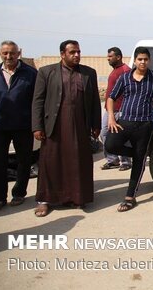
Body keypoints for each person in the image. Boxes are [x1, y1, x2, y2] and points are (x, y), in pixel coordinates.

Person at [31, 40, 101, 217]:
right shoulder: (46, 72)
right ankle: (45, 200)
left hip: (80, 126)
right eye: (72, 52)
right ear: (62, 54)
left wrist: (96, 124)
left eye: (78, 52)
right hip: (54, 126)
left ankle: (77, 198)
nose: (77, 55)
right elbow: (38, 101)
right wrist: (37, 126)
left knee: (78, 162)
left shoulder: (88, 73)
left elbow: (94, 102)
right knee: (51, 163)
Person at [105, 47, 153, 212]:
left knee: (138, 163)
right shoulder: (125, 78)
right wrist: (111, 117)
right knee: (110, 145)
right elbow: (111, 97)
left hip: (145, 124)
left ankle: (130, 196)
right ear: (135, 60)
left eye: (146, 59)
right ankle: (139, 155)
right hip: (125, 122)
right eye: (140, 59)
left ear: (149, 60)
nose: (143, 62)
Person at [0, 41, 37, 212]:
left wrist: (37, 124)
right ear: (0, 54)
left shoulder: (30, 74)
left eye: (12, 53)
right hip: (0, 126)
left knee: (24, 161)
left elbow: (37, 101)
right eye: (5, 53)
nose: (9, 57)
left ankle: (19, 193)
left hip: (23, 125)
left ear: (19, 53)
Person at [99, 47, 132, 171]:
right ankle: (112, 160)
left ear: (118, 57)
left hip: (121, 110)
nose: (108, 59)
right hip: (110, 110)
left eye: (110, 56)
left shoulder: (125, 71)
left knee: (121, 136)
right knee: (104, 133)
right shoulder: (114, 71)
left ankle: (126, 161)